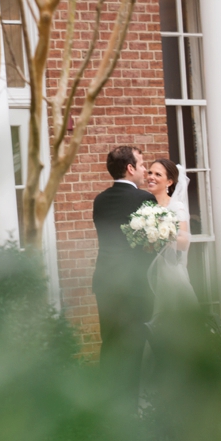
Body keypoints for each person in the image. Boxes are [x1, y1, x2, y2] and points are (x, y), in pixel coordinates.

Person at [91, 146, 157, 401]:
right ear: (130, 168)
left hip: (105, 281)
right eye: (141, 164)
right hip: (133, 285)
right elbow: (151, 245)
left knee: (109, 344)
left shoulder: (99, 199)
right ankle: (127, 413)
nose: (144, 170)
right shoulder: (143, 199)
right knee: (133, 347)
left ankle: (107, 406)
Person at [144, 158, 198, 328]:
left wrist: (159, 234)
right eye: (150, 172)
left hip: (169, 272)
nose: (151, 177)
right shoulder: (145, 204)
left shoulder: (176, 207)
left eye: (157, 174)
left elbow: (183, 241)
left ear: (169, 181)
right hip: (146, 272)